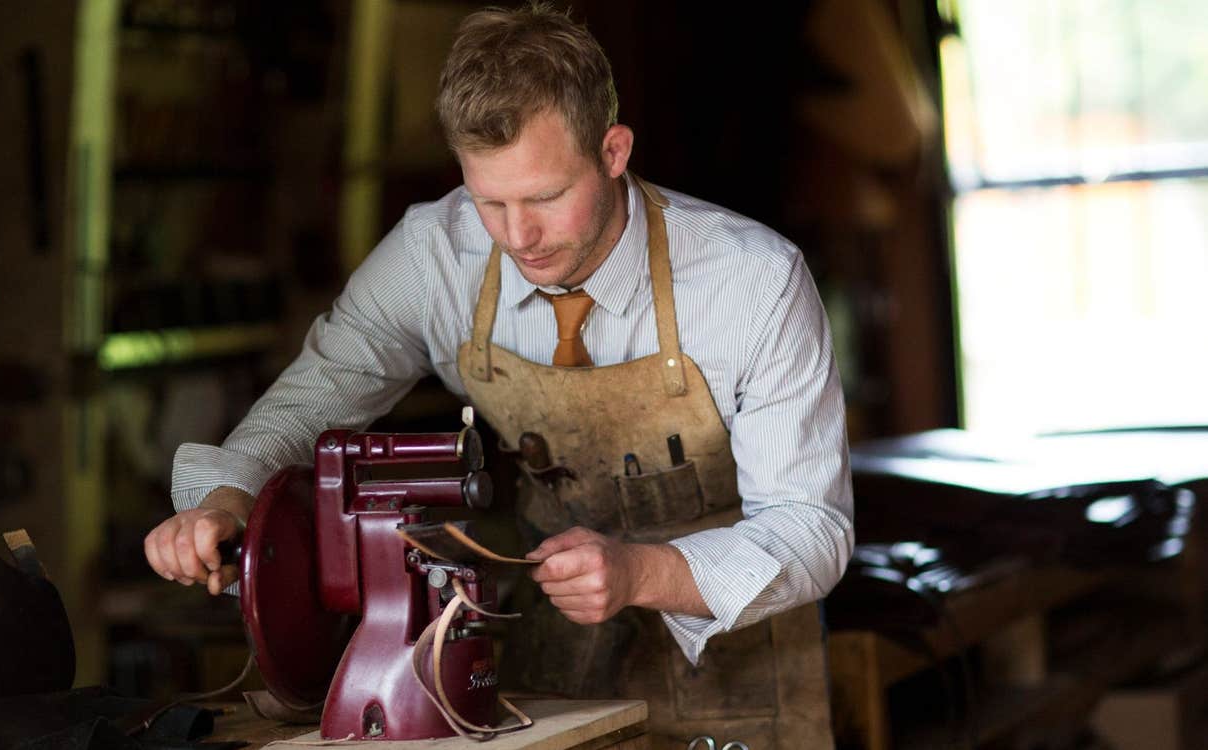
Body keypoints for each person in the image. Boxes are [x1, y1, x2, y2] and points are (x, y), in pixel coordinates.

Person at [145, 4, 852, 746]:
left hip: (741, 668)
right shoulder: (432, 256)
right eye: (490, 200)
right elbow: (311, 401)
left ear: (613, 151)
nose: (520, 236)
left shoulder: (754, 280)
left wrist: (641, 573)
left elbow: (814, 527)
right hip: (551, 673)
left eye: (546, 197)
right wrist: (229, 502)